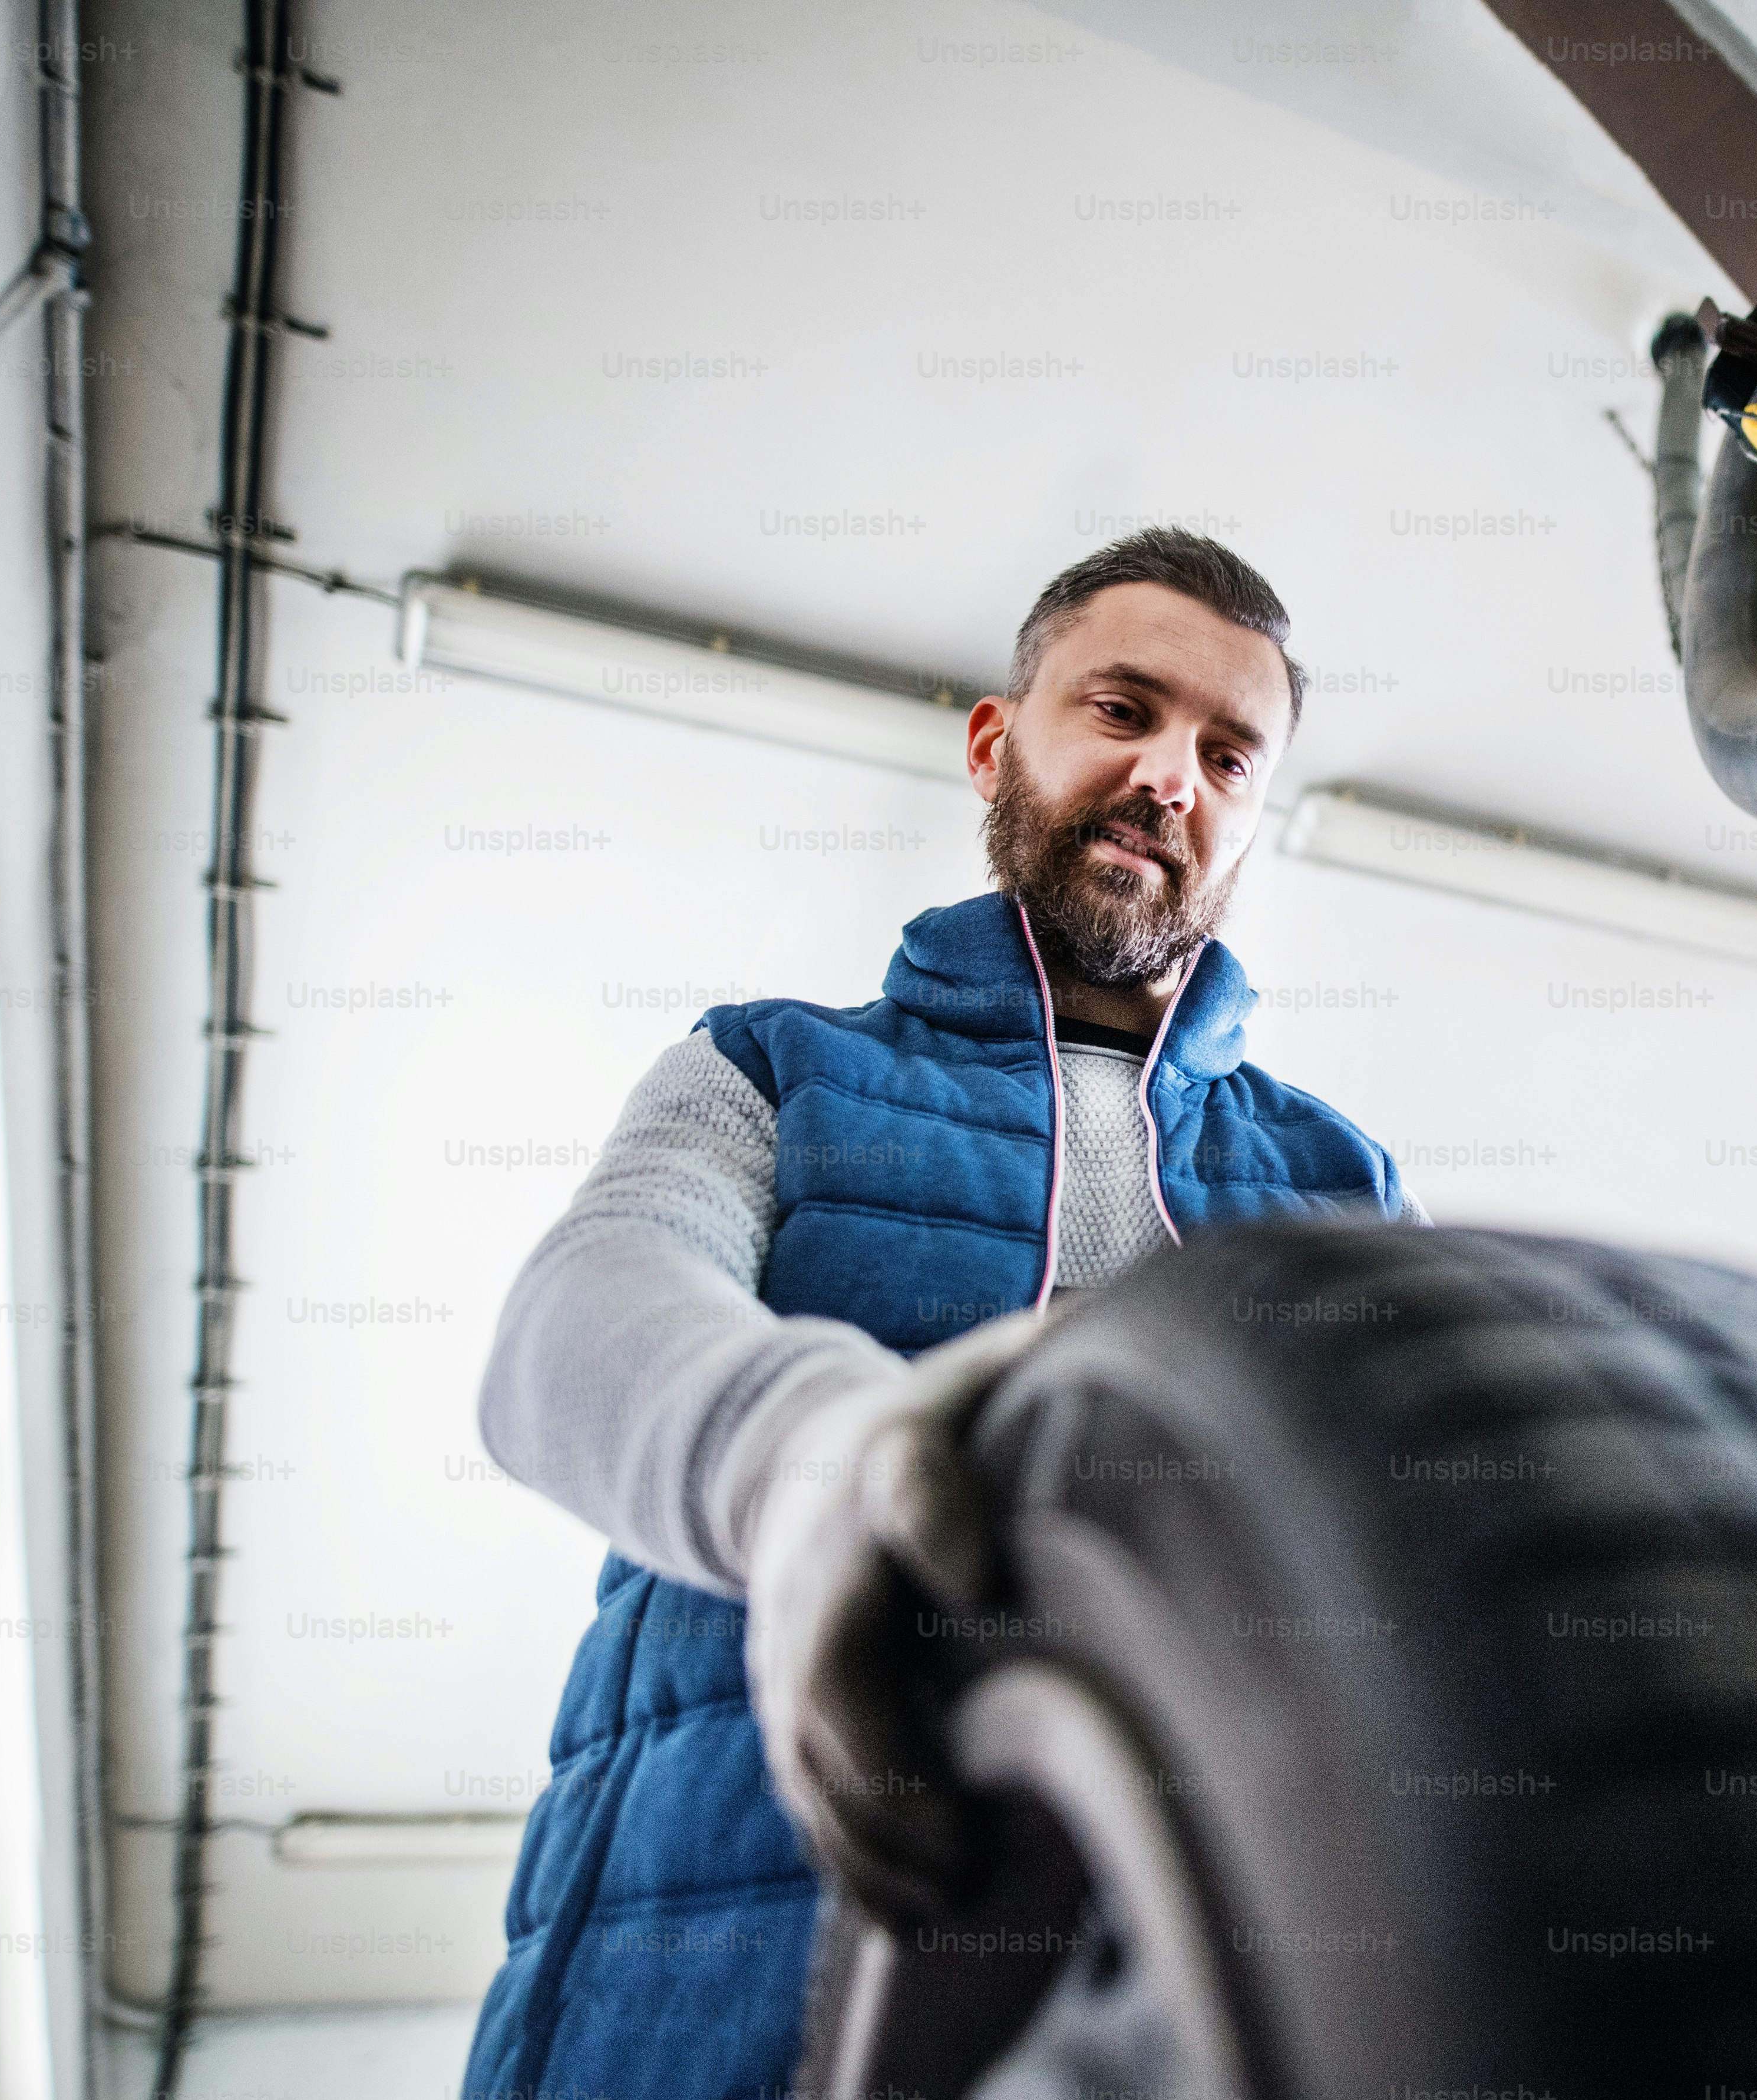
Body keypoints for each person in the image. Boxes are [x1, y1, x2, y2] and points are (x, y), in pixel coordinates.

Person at [459, 530, 1417, 2100]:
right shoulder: (773, 1067)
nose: (1173, 773)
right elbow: (571, 1328)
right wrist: (815, 1478)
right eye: (1123, 711)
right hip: (698, 2001)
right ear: (997, 743)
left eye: (1228, 755)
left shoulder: (1345, 1181)